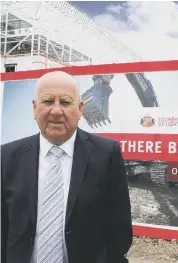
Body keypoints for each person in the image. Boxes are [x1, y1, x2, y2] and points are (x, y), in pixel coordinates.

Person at [1, 71, 133, 263]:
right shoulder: (7, 157)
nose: (56, 111)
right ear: (34, 107)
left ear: (80, 109)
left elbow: (119, 230)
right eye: (47, 101)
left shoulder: (106, 155)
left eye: (65, 102)